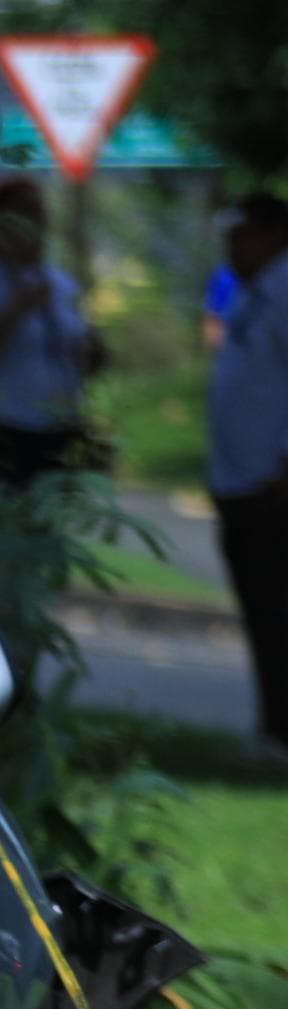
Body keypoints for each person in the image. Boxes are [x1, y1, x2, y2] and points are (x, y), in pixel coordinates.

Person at [0, 173, 106, 488]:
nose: (32, 229)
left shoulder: (59, 283)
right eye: (22, 217)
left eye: (38, 217)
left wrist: (94, 349)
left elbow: (87, 358)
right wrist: (14, 311)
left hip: (54, 434)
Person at [215, 191, 288, 756]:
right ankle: (271, 725)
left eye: (240, 233)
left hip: (272, 486)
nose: (231, 247)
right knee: (263, 611)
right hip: (242, 482)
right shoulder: (255, 293)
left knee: (276, 609)